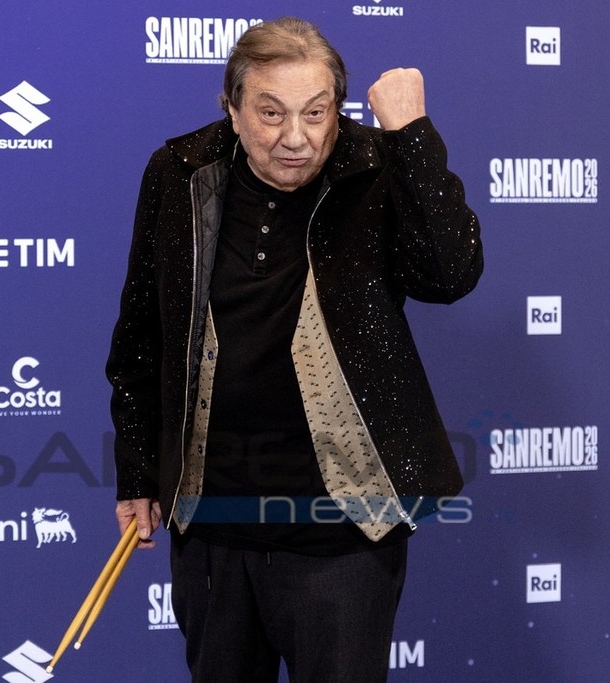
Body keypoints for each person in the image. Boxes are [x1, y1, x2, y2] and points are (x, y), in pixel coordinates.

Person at [106, 16, 482, 682]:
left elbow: (450, 274)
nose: (296, 137)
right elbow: (142, 335)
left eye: (316, 112)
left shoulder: (376, 165)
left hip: (344, 533)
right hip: (213, 529)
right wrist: (138, 472)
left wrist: (412, 135)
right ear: (231, 109)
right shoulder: (179, 172)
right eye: (271, 112)